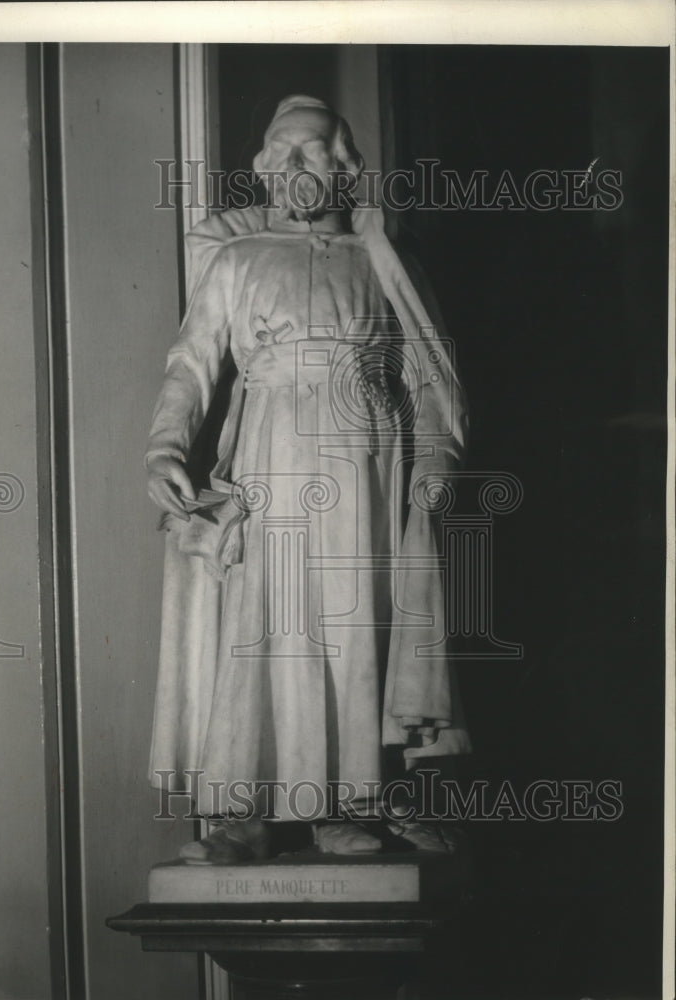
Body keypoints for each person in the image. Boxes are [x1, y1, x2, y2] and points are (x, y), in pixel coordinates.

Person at [145, 95, 470, 863]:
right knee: (271, 625)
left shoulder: (383, 259)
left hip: (368, 459)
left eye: (313, 149)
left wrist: (437, 461)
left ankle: (348, 801)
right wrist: (164, 448)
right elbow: (192, 364)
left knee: (355, 625)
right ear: (262, 170)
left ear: (344, 166)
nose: (295, 165)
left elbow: (428, 376)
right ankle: (247, 812)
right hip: (274, 455)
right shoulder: (237, 260)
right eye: (280, 151)